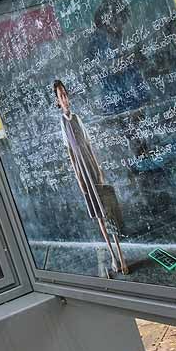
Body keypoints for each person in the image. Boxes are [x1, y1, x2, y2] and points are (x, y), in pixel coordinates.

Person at [53, 80, 128, 275]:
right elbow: (70, 151)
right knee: (99, 216)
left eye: (65, 94)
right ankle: (113, 256)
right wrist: (78, 176)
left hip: (92, 168)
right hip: (82, 171)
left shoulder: (77, 118)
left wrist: (99, 170)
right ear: (57, 101)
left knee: (108, 211)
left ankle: (121, 255)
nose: (64, 98)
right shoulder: (62, 123)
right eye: (61, 96)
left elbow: (88, 144)